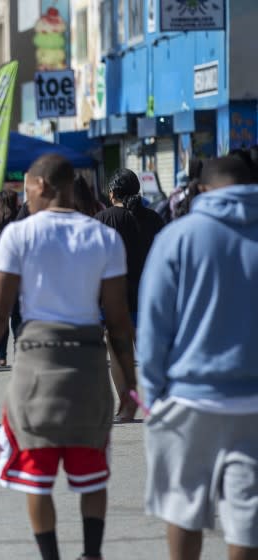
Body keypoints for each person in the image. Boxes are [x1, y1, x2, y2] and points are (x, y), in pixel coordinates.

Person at [0, 154, 136, 560]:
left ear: (42, 186)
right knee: (91, 470)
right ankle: (92, 553)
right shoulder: (104, 238)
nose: (25, 196)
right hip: (89, 365)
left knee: (36, 475)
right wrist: (129, 383)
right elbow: (117, 320)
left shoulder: (18, 235)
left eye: (26, 187)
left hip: (36, 365)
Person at [138, 156, 258, 560]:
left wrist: (154, 395)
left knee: (183, 508)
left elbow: (154, 325)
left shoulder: (179, 236)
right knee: (247, 517)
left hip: (189, 399)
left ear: (202, 190)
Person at [94, 169, 164, 421]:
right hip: (150, 299)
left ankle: (126, 407)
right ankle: (159, 404)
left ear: (112, 193)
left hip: (115, 301)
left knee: (119, 357)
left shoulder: (103, 219)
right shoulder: (154, 219)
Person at [0, 190, 22, 367]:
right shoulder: (21, 220)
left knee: (1, 316)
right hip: (19, 275)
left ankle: (1, 356)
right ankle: (19, 353)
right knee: (18, 316)